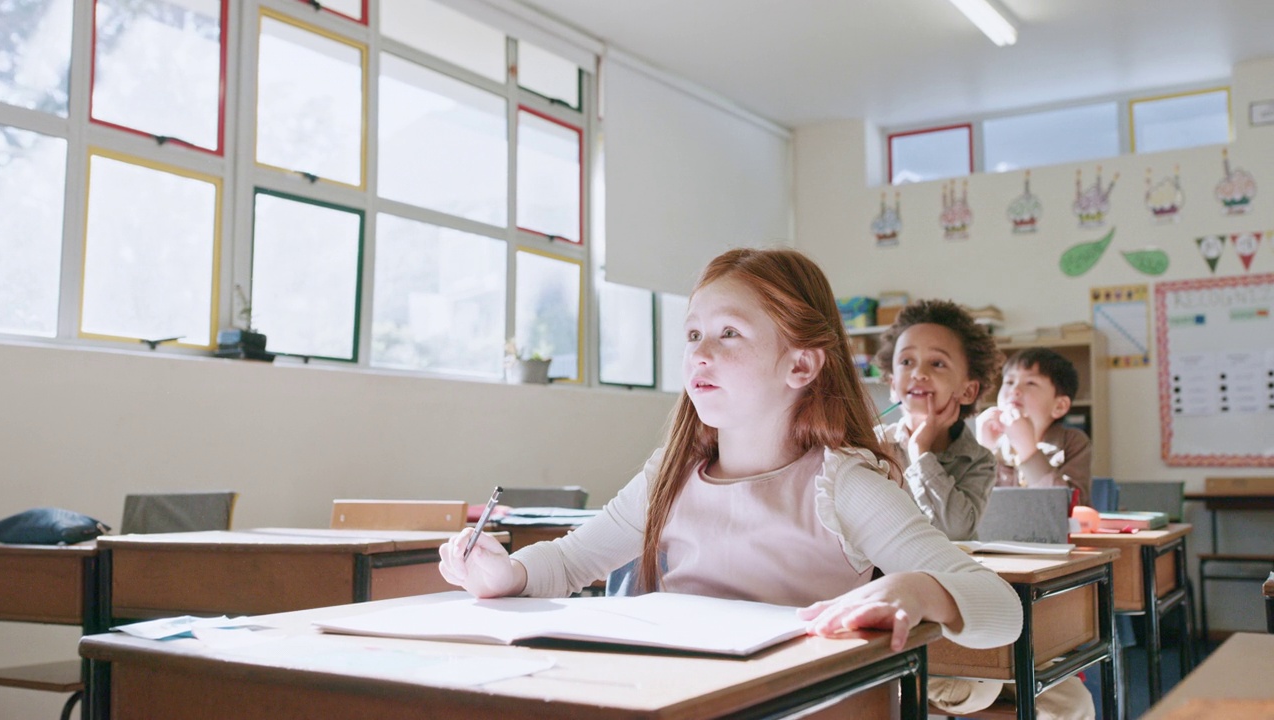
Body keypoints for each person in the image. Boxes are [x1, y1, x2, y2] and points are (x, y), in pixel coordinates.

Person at [439, 247, 1021, 655]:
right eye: (694, 334)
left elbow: (1002, 609)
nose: (700, 353)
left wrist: (917, 588)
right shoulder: (670, 475)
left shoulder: (842, 484)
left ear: (800, 364)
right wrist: (507, 573)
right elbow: (568, 564)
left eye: (730, 333)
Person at [872, 300, 1002, 541]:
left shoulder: (979, 461)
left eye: (937, 363)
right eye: (906, 362)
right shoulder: (873, 446)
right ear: (892, 385)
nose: (918, 373)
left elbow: (955, 531)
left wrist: (920, 453)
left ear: (968, 391)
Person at [976, 347, 1092, 507]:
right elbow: (969, 509)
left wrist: (1028, 450)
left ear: (1059, 406)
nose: (1014, 390)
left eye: (1031, 383)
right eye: (1009, 382)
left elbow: (1067, 508)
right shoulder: (991, 444)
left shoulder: (1072, 442)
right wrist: (983, 450)